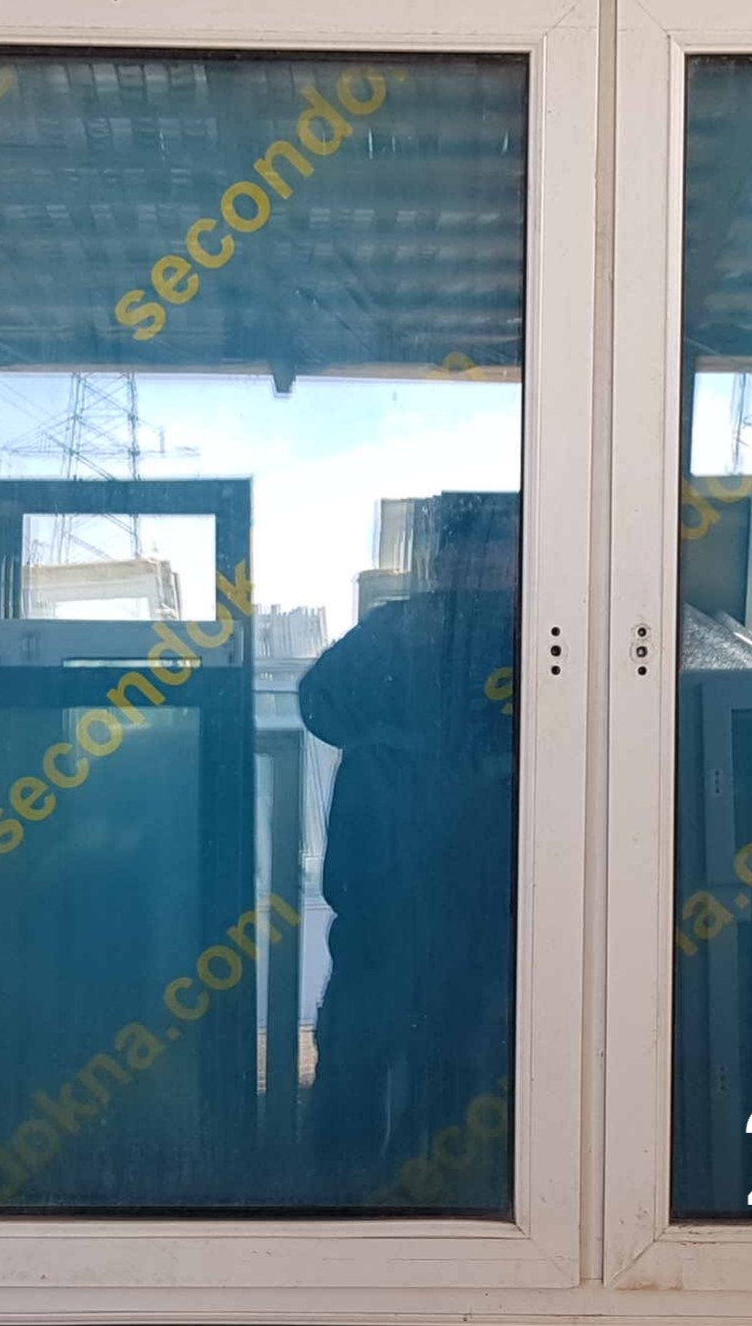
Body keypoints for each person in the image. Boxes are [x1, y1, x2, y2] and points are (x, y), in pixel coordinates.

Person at [299, 494, 519, 1207]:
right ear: (444, 561)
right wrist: (405, 743)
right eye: (471, 551)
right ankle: (333, 1198)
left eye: (499, 551)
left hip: (485, 900)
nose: (483, 566)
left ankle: (436, 1201)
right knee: (359, 1043)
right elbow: (319, 702)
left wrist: (466, 759)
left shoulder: (542, 636)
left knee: (459, 1049)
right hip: (382, 893)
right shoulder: (399, 628)